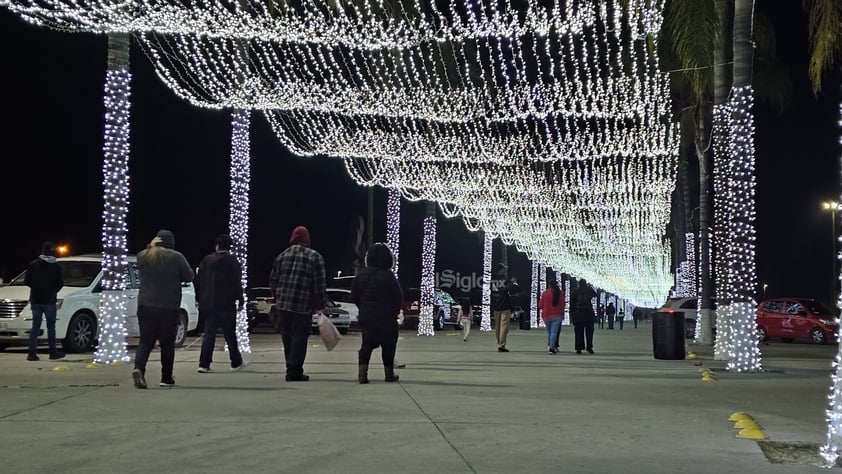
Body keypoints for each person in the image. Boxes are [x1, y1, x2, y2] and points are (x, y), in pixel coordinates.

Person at [132, 230, 195, 389]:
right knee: (167, 344)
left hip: (146, 306)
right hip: (168, 307)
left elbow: (139, 260)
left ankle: (139, 369)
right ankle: (166, 378)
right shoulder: (176, 257)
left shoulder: (144, 256)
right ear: (171, 243)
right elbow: (189, 276)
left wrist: (150, 246)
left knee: (145, 341)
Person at [269, 226, 326, 382]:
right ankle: (295, 371)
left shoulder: (281, 256)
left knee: (287, 338)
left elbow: (273, 281)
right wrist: (320, 304)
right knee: (300, 338)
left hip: (283, 306)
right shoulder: (315, 257)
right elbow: (319, 284)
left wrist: (277, 297)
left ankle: (290, 367)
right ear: (307, 239)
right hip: (302, 306)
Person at [351, 243, 403, 384]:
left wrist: (364, 308)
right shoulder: (388, 276)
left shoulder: (361, 274)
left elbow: (354, 295)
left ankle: (362, 375)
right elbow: (398, 296)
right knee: (388, 346)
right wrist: (394, 312)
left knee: (366, 346)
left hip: (367, 317)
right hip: (386, 318)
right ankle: (388, 374)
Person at [195, 234, 248, 374]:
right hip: (226, 304)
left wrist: (199, 298)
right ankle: (235, 362)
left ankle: (204, 364)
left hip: (209, 303)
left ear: (217, 246)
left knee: (209, 334)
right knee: (230, 334)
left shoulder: (206, 260)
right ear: (229, 247)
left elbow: (199, 281)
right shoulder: (232, 262)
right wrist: (240, 300)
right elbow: (236, 283)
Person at [25, 241, 65, 361]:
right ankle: (53, 353)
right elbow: (60, 284)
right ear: (53, 252)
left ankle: (31, 353)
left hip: (36, 300)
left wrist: (36, 288)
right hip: (50, 300)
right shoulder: (56, 266)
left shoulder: (33, 264)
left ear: (42, 251)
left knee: (35, 327)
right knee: (51, 327)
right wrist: (52, 291)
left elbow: (27, 281)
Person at [491, 273, 520, 352]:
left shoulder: (493, 283)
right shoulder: (507, 284)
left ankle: (499, 341)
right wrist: (513, 282)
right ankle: (502, 344)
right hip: (504, 308)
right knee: (504, 327)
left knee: (497, 326)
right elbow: (513, 289)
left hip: (496, 308)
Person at [539, 280, 565, 354]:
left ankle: (550, 346)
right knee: (554, 332)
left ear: (549, 285)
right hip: (557, 315)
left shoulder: (545, 293)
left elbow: (540, 305)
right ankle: (551, 348)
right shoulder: (561, 293)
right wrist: (562, 315)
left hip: (546, 315)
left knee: (550, 332)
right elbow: (562, 305)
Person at [571, 279, 597, 354]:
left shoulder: (575, 291)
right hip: (588, 313)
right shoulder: (589, 290)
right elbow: (595, 294)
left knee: (578, 332)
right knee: (589, 331)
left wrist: (572, 314)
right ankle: (589, 347)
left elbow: (572, 304)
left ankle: (579, 348)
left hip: (578, 314)